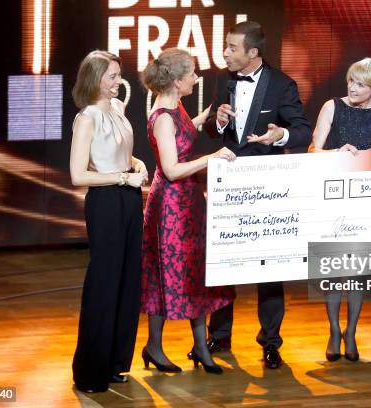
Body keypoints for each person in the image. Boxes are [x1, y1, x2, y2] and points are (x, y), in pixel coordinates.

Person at [203, 21, 312, 369]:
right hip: (229, 184)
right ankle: (218, 337)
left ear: (253, 52)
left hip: (267, 187)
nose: (225, 53)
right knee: (223, 266)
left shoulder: (282, 85)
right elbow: (211, 129)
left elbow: (301, 132)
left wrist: (279, 135)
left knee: (270, 268)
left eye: (232, 48)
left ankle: (271, 343)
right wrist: (217, 121)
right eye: (225, 46)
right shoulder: (224, 80)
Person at [140, 48, 236, 375]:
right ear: (178, 80)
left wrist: (210, 113)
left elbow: (185, 134)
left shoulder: (175, 107)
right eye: (193, 73)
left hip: (189, 202)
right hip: (171, 207)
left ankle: (198, 346)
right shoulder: (163, 116)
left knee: (194, 273)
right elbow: (171, 169)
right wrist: (213, 158)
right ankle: (154, 345)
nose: (197, 78)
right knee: (167, 276)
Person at [70, 50, 148, 393]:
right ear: (94, 78)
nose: (119, 82)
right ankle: (90, 371)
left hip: (129, 197)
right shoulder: (87, 117)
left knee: (128, 282)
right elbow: (77, 174)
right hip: (105, 202)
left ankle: (116, 362)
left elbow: (120, 152)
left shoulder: (117, 109)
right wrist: (121, 178)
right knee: (104, 284)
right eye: (112, 76)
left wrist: (137, 163)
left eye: (119, 75)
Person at [309, 58, 371, 362]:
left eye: (360, 83)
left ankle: (352, 331)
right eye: (351, 81)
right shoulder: (331, 106)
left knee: (357, 274)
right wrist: (336, 151)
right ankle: (333, 330)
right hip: (332, 200)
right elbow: (312, 151)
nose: (353, 87)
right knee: (333, 272)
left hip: (366, 204)